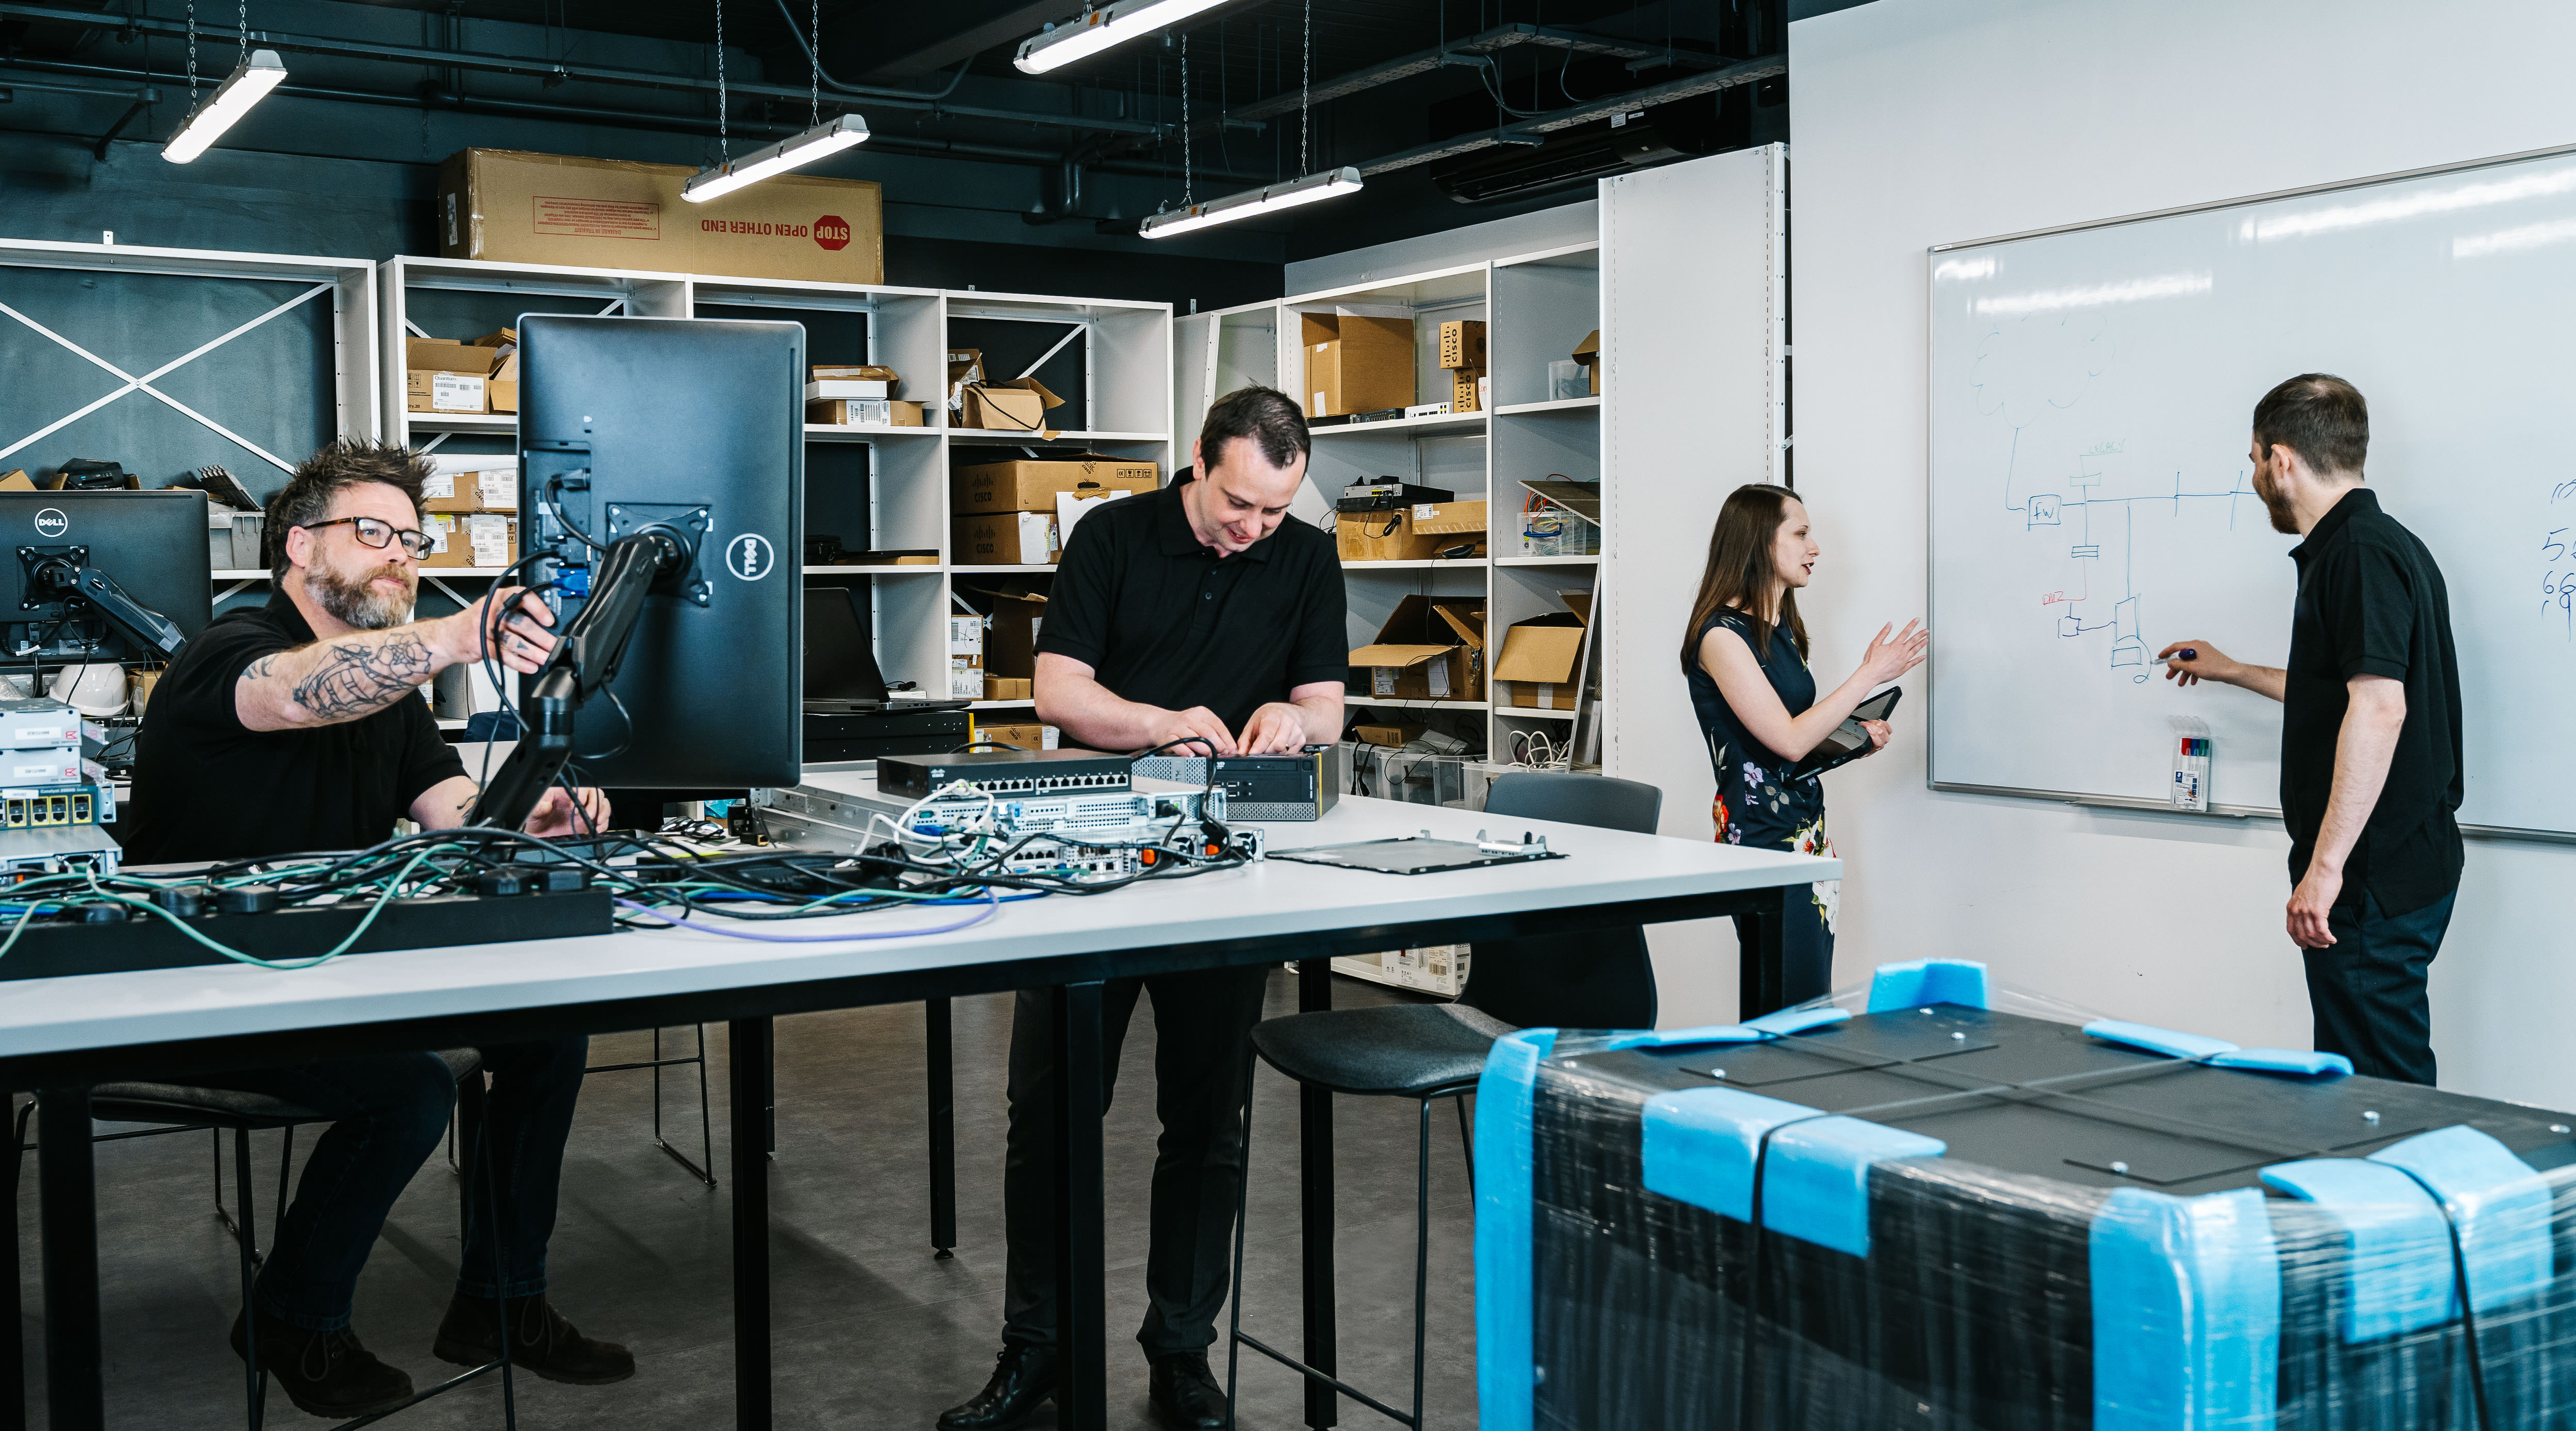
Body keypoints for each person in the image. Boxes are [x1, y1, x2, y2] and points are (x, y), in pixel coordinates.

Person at [121, 438, 632, 1419]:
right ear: (296, 545)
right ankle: (295, 1316)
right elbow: (292, 692)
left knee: (545, 1036)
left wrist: (535, 812)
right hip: (195, 980)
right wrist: (452, 638)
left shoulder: (388, 693)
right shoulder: (226, 652)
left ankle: (500, 1303)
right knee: (403, 1090)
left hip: (330, 966)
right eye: (372, 532)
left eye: (411, 537)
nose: (400, 554)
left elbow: (450, 808)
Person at [938, 387, 1346, 1431]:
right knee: (1049, 1118)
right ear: (1199, 463)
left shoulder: (1302, 556)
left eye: (1274, 510)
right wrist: (1162, 722)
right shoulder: (1112, 536)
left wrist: (1287, 722)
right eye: (1240, 505)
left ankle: (1181, 1351)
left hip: (1224, 872)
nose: (1255, 530)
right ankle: (1036, 1347)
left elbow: (1324, 703)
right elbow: (1059, 693)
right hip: (1088, 866)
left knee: (1209, 1126)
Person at [2159, 374, 2462, 1085]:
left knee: (2378, 1088)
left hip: (2369, 876)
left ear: (2282, 459)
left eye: (2254, 458)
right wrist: (2235, 671)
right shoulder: (2382, 546)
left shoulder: (2355, 553)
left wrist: (2324, 873)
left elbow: (2381, 709)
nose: (2256, 475)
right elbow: (2348, 693)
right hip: (2398, 864)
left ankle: (2400, 1195)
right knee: (2372, 1073)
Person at [1680, 483, 1927, 1010]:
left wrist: (1850, 742)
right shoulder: (1720, 637)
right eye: (1801, 533)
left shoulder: (1780, 630)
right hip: (1761, 842)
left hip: (1806, 835)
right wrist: (1868, 674)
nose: (1814, 547)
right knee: (1784, 1005)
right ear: (1758, 543)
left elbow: (1788, 746)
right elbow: (1788, 740)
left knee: (1806, 1000)